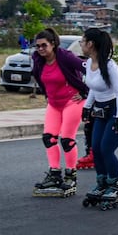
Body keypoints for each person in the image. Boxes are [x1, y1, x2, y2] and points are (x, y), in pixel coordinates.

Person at [31, 27, 89, 198]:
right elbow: (40, 78)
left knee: (66, 139)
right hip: (54, 104)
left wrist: (86, 91)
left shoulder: (65, 56)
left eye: (44, 45)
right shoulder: (38, 59)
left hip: (73, 101)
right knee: (49, 138)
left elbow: (90, 71)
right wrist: (47, 96)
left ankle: (71, 175)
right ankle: (55, 174)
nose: (40, 49)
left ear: (53, 44)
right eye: (38, 46)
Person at [80, 28, 118, 210]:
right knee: (96, 148)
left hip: (117, 111)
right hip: (100, 112)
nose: (80, 44)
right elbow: (94, 88)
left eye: (82, 41)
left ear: (90, 44)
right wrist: (87, 107)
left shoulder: (110, 66)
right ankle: (102, 184)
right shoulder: (89, 63)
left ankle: (114, 186)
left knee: (106, 149)